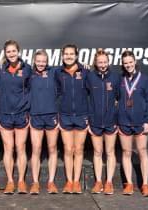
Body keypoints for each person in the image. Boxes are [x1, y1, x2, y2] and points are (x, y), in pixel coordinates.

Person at [0, 40, 32, 194]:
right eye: (8, 51)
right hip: (4, 114)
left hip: (21, 114)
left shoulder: (27, 69)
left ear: (18, 51)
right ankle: (10, 181)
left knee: (20, 148)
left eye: (13, 51)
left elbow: (33, 88)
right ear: (5, 53)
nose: (11, 54)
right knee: (8, 148)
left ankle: (21, 181)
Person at [118, 50, 148, 197]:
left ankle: (145, 184)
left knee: (142, 151)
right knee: (126, 153)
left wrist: (147, 120)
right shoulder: (119, 80)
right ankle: (129, 184)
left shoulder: (144, 79)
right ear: (123, 64)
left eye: (130, 62)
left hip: (140, 122)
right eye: (125, 63)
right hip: (124, 121)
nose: (128, 65)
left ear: (135, 62)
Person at [55, 44, 89, 194]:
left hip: (82, 115)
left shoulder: (86, 71)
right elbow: (55, 95)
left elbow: (92, 94)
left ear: (76, 55)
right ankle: (69, 181)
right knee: (68, 149)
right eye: (66, 54)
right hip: (65, 115)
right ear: (62, 56)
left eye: (71, 54)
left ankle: (77, 181)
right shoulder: (57, 72)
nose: (68, 56)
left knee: (79, 149)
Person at [87, 49, 120, 195]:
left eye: (105, 62)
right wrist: (88, 120)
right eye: (100, 62)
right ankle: (98, 181)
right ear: (95, 62)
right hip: (94, 121)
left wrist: (116, 117)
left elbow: (119, 98)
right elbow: (86, 98)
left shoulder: (115, 77)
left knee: (110, 151)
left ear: (109, 62)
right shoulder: (89, 76)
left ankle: (109, 183)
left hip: (110, 121)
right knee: (98, 152)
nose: (102, 65)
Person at [29, 50, 59, 195]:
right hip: (35, 115)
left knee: (52, 148)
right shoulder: (29, 74)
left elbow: (70, 67)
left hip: (51, 115)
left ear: (47, 61)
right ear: (34, 61)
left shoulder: (54, 72)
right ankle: (35, 183)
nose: (41, 64)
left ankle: (51, 182)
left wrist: (83, 65)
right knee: (36, 149)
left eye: (44, 61)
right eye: (38, 61)